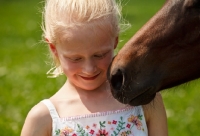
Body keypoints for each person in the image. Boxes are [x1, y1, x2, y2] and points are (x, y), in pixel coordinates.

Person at [21, 0, 168, 135]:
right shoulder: (44, 118)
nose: (89, 69)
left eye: (99, 55)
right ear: (54, 49)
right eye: (76, 58)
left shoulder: (144, 101)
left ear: (115, 41)